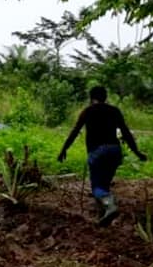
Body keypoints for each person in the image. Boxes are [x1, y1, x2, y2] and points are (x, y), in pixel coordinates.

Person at [57, 86, 147, 226]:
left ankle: (110, 205)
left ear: (91, 98)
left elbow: (75, 132)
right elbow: (126, 133)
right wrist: (137, 152)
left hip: (97, 153)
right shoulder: (114, 111)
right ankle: (104, 218)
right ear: (105, 97)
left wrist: (64, 149)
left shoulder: (88, 111)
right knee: (104, 185)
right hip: (114, 151)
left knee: (97, 188)